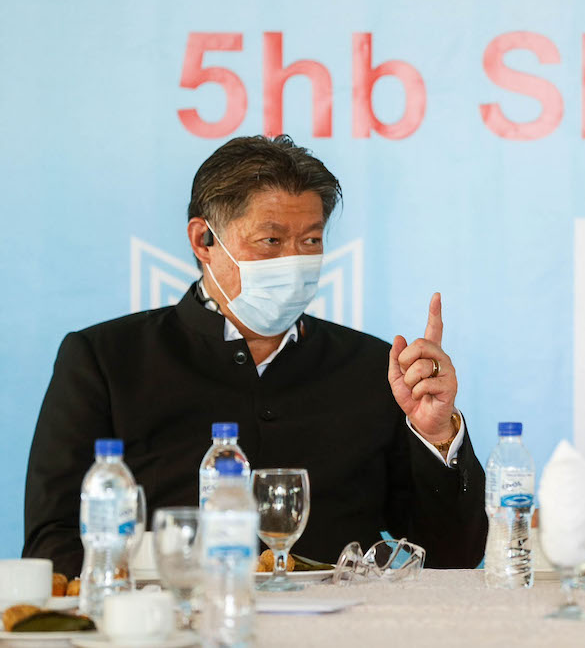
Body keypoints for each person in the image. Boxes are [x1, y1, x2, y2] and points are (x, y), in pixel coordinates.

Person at [23, 135, 487, 576]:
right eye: (271, 241)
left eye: (311, 240)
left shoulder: (374, 367)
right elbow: (52, 541)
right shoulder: (106, 360)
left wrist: (436, 436)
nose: (294, 259)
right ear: (204, 240)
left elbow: (454, 556)